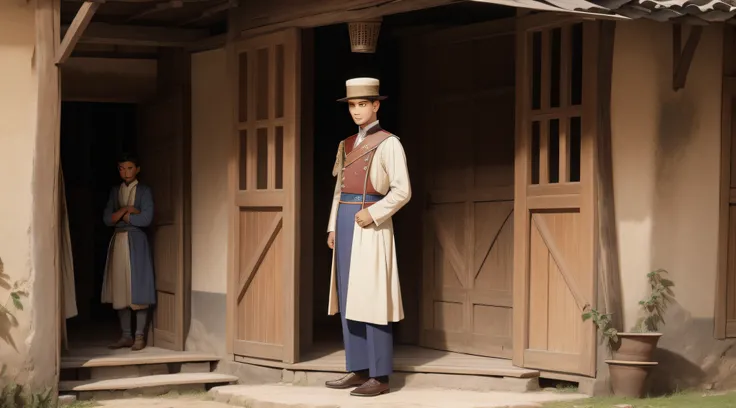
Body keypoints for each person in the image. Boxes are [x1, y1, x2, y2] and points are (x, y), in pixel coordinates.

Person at [324, 77, 412, 397]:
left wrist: (373, 214)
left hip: (371, 221)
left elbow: (402, 190)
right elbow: (339, 190)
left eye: (363, 104)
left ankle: (380, 375)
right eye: (352, 105)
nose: (357, 110)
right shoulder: (346, 144)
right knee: (349, 295)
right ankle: (358, 368)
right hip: (347, 220)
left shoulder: (389, 143)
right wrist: (333, 225)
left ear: (376, 105)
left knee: (372, 296)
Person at [101, 153, 156, 351]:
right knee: (121, 288)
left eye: (130, 168)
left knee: (138, 286)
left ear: (137, 169)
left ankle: (139, 336)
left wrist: (122, 215)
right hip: (119, 241)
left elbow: (146, 219)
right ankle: (126, 335)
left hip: (137, 241)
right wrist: (128, 210)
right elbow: (108, 219)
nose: (126, 172)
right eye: (122, 168)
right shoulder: (115, 191)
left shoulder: (144, 191)